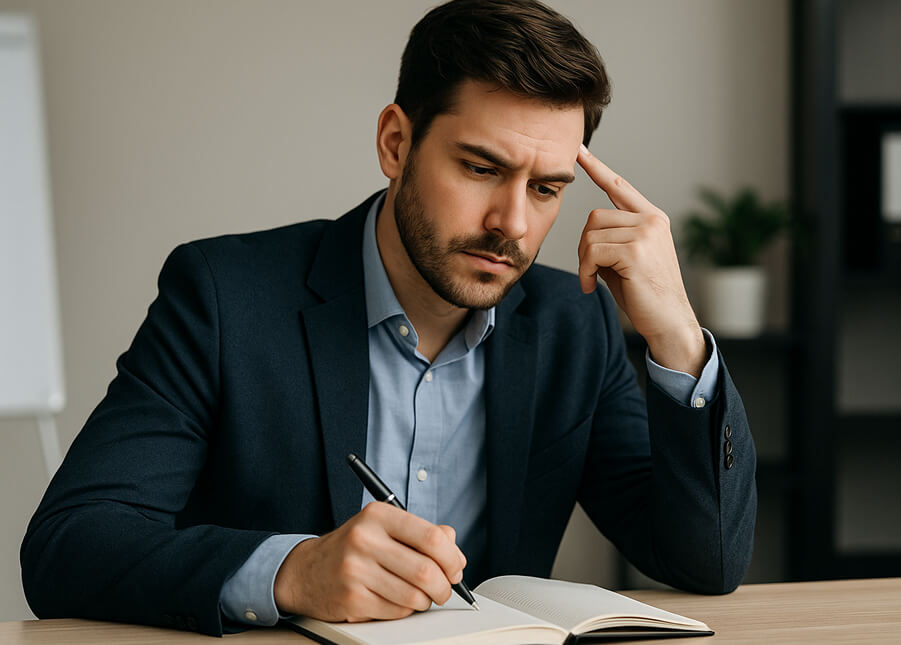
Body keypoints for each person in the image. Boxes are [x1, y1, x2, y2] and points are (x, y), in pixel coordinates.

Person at [21, 0, 756, 636]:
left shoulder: (573, 325)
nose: (513, 224)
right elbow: (69, 544)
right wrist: (293, 571)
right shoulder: (224, 297)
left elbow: (705, 562)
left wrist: (679, 339)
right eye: (481, 168)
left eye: (547, 188)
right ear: (395, 143)